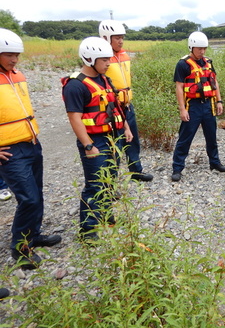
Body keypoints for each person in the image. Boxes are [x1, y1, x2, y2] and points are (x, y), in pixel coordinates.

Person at [0, 28, 61, 269]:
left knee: (37, 193)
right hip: (10, 151)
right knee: (29, 199)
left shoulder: (17, 75)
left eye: (17, 55)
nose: (14, 59)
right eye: (8, 55)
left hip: (31, 143)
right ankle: (20, 248)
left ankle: (33, 235)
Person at [62, 37, 133, 242]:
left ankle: (105, 214)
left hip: (114, 136)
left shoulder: (105, 79)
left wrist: (125, 128)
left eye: (109, 59)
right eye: (104, 60)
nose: (109, 63)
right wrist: (88, 145)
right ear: (90, 59)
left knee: (110, 179)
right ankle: (88, 229)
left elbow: (116, 107)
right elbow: (74, 118)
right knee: (95, 184)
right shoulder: (75, 85)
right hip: (95, 140)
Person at [99, 20, 153, 182]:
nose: (121, 41)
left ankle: (136, 171)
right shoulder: (101, 58)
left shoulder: (124, 55)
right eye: (117, 38)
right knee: (115, 146)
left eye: (122, 37)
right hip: (111, 109)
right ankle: (111, 182)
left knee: (133, 140)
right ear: (106, 38)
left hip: (127, 105)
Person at [171, 31, 225, 182]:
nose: (202, 51)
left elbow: (215, 83)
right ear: (191, 47)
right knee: (185, 137)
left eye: (204, 48)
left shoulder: (208, 62)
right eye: (199, 48)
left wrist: (219, 101)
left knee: (211, 136)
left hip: (208, 104)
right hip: (193, 106)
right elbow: (179, 87)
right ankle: (177, 168)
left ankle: (215, 163)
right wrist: (182, 109)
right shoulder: (183, 64)